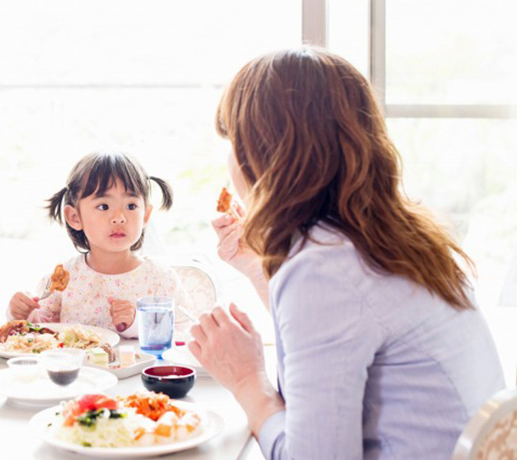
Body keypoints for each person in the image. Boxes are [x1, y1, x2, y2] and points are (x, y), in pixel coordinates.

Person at [190, 47, 505, 459]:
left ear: (261, 153)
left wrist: (248, 380)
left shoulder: (322, 267)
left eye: (232, 140)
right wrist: (258, 269)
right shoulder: (397, 234)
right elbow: (339, 339)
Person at [6, 151, 191, 337]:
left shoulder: (159, 278)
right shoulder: (63, 279)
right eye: (103, 206)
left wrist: (138, 324)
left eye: (131, 206)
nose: (119, 218)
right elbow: (42, 333)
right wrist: (22, 313)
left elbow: (186, 334)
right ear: (74, 217)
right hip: (77, 367)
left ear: (146, 215)